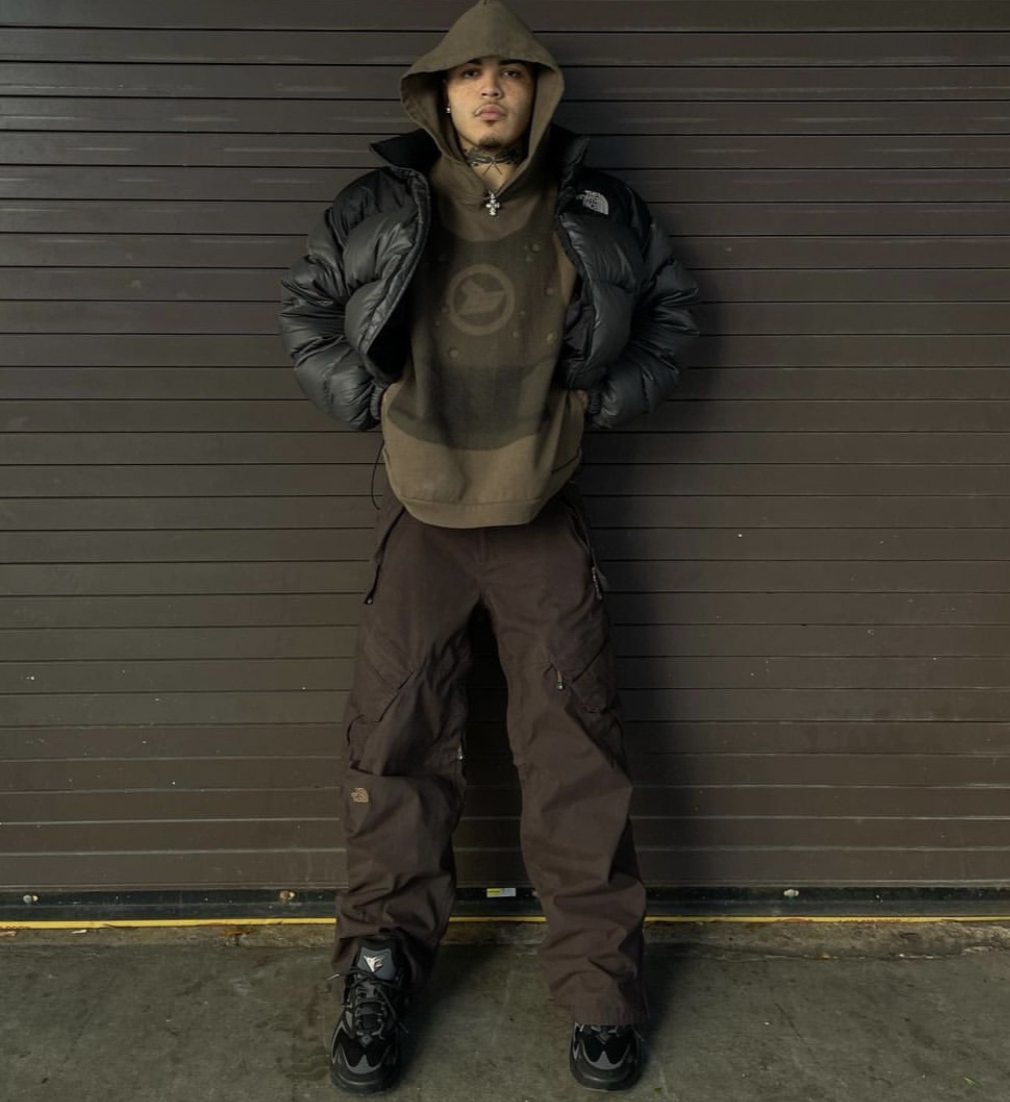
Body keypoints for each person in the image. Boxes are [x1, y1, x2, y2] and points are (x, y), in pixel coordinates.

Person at [281, 0, 697, 1092]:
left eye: (511, 72)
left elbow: (673, 315)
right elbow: (306, 312)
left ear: (538, 92)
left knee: (576, 757)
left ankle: (601, 994)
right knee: (393, 748)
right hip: (420, 516)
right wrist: (370, 400)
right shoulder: (381, 204)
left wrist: (595, 406)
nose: (491, 87)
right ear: (439, 95)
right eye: (470, 73)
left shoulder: (598, 206)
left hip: (541, 513)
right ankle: (379, 970)